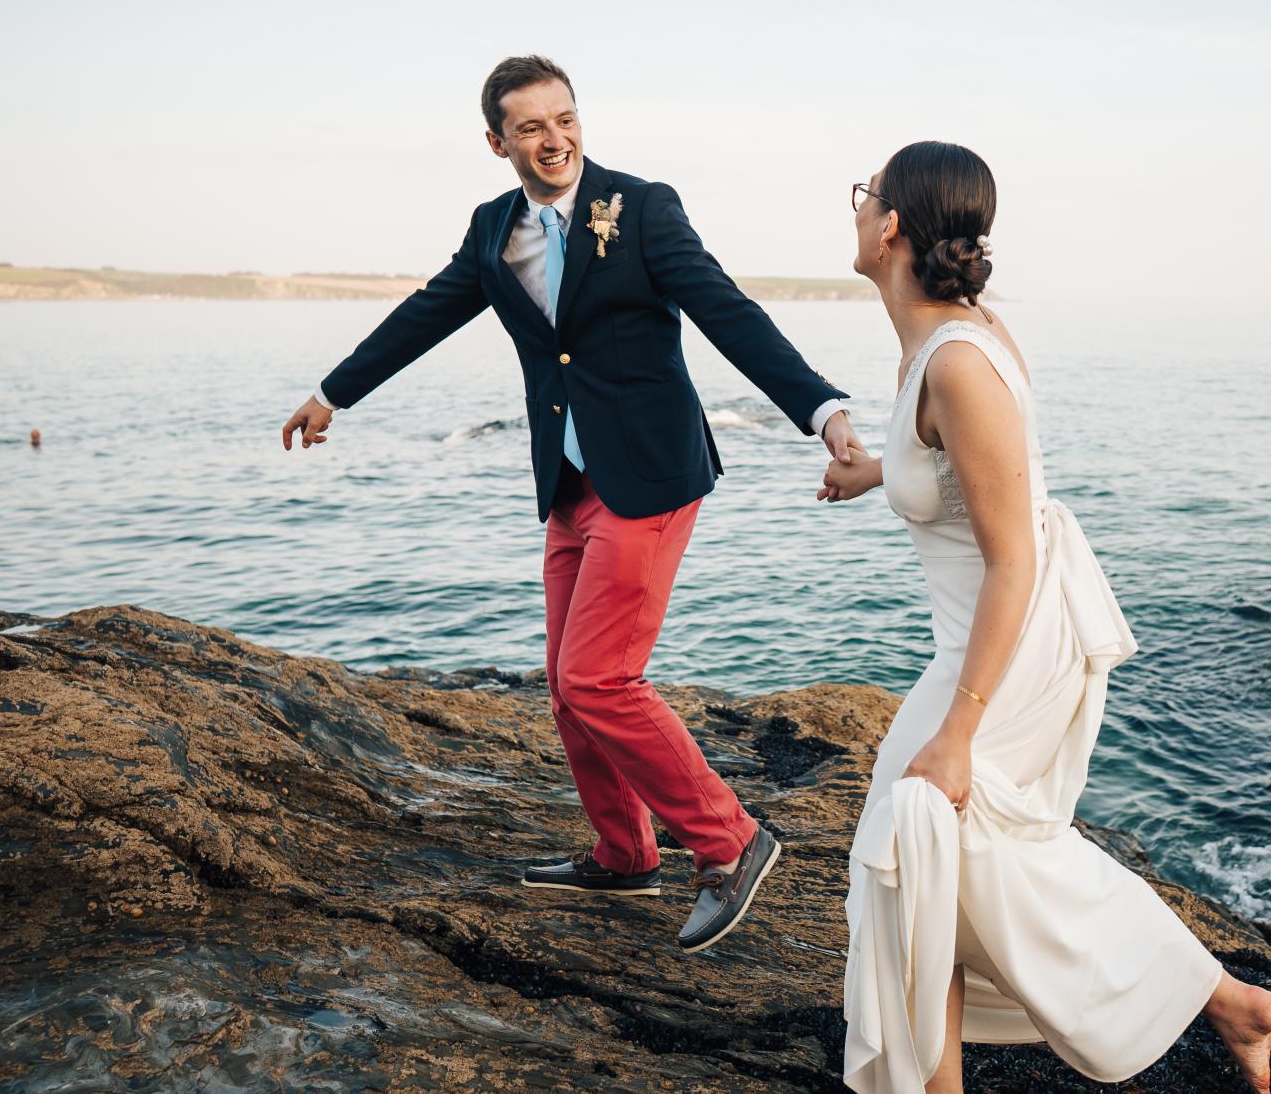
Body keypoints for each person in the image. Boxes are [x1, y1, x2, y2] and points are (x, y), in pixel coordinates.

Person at [282, 55, 863, 952]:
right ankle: (625, 850)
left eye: (565, 118)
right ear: (497, 142)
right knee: (567, 684)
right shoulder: (492, 230)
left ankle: (732, 841)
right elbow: (424, 315)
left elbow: (726, 310)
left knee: (602, 677)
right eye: (531, 127)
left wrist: (820, 409)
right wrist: (334, 391)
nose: (554, 139)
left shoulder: (641, 206)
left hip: (651, 477)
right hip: (569, 481)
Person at [821, 142, 1271, 1093]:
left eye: (865, 194)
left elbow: (1013, 556)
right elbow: (949, 467)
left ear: (895, 224)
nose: (856, 208)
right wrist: (874, 472)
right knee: (925, 853)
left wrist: (961, 727)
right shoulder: (933, 337)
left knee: (937, 827)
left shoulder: (958, 358)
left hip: (1014, 633)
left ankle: (1225, 997)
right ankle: (1219, 1004)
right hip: (994, 626)